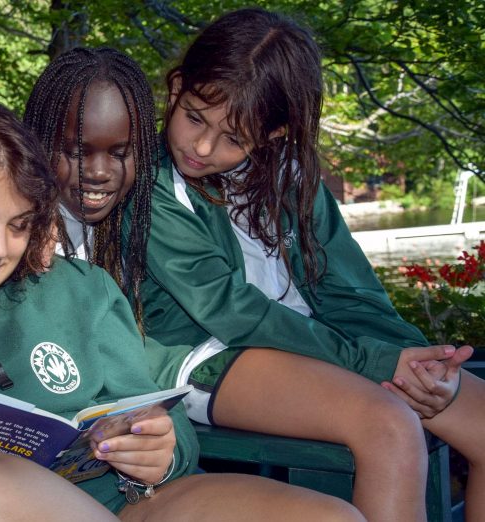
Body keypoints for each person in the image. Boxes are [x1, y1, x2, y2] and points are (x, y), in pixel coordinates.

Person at [0, 99, 363, 522]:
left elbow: (164, 422)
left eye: (20, 225)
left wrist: (160, 450)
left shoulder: (78, 291)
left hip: (129, 502)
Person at [140, 7, 484, 520]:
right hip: (203, 351)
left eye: (234, 138)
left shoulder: (290, 176)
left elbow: (348, 291)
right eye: (194, 117)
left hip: (312, 342)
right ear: (176, 88)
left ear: (273, 134)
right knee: (388, 425)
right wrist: (371, 363)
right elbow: (234, 312)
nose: (203, 146)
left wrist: (415, 360)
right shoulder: (151, 183)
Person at [23, 47, 156, 327]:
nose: (98, 172)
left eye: (119, 154)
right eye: (76, 152)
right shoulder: (18, 234)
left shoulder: (129, 227)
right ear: (41, 140)